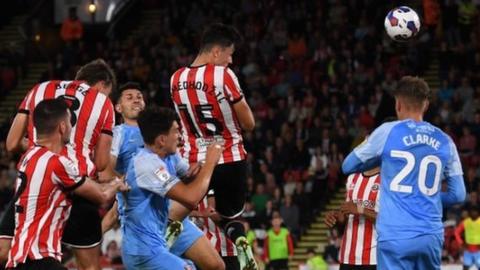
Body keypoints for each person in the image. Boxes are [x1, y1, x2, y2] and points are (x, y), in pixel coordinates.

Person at [1, 59, 116, 270]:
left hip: (37, 180)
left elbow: (12, 143)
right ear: (101, 85)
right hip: (79, 186)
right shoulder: (103, 102)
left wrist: (38, 146)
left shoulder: (40, 88)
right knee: (89, 266)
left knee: (6, 251)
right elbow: (101, 163)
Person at [342, 76, 466, 270]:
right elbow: (458, 194)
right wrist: (423, 195)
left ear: (398, 104)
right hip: (430, 236)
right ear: (425, 105)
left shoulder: (387, 131)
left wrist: (379, 157)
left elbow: (347, 166)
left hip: (395, 235)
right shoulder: (446, 141)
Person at [101, 82, 224, 269]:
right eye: (129, 97)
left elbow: (186, 178)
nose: (136, 99)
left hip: (165, 202)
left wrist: (201, 167)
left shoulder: (164, 140)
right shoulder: (120, 134)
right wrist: (123, 182)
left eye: (139, 96)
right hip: (140, 206)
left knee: (215, 265)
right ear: (118, 108)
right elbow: (105, 171)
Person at [169, 22, 256, 269]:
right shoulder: (223, 76)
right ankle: (240, 240)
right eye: (229, 55)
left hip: (193, 160)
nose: (230, 62)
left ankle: (163, 249)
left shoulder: (176, 79)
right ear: (216, 52)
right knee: (230, 217)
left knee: (180, 212)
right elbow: (249, 123)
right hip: (230, 158)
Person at [324, 167, 380, 270]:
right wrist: (336, 216)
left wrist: (361, 209)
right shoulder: (352, 178)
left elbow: (389, 221)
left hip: (373, 257)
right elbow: (347, 213)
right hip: (347, 256)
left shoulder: (386, 180)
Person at [192, 192, 240, 270]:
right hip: (209, 247)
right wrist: (200, 213)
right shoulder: (197, 193)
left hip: (227, 247)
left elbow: (214, 215)